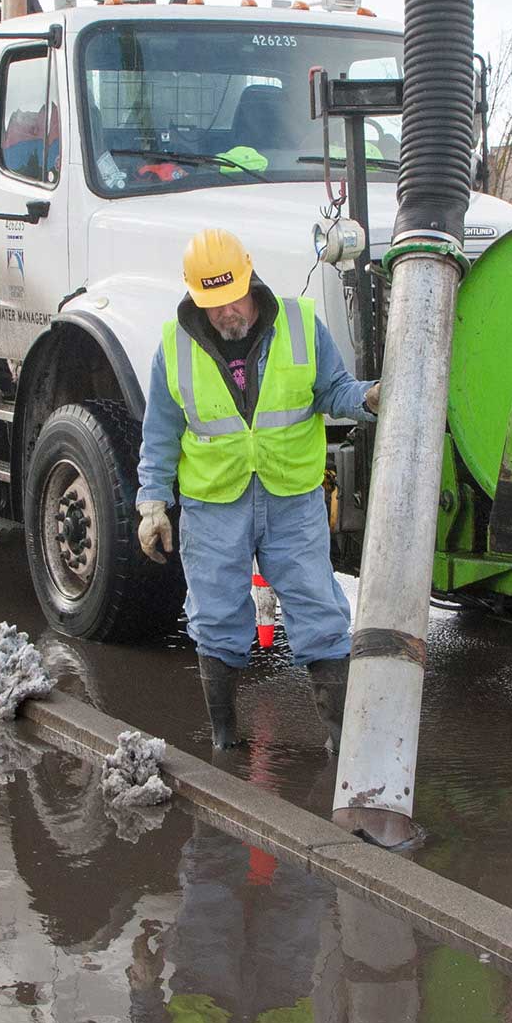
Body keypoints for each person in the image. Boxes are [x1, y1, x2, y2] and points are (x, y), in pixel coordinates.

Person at [136, 228, 379, 751]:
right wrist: (152, 504)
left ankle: (342, 745)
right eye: (215, 303)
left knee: (318, 610)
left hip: (291, 496)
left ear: (251, 281)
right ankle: (225, 738)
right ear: (196, 298)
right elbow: (160, 433)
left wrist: (368, 399)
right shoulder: (174, 347)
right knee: (215, 617)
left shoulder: (300, 324)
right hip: (213, 504)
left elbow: (333, 390)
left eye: (235, 297)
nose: (229, 312)